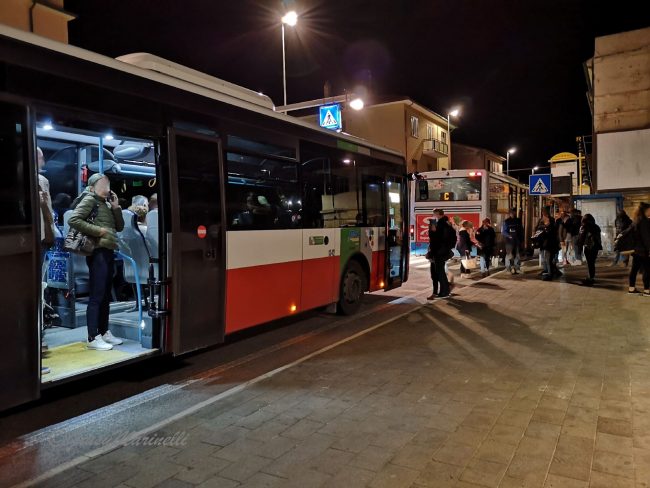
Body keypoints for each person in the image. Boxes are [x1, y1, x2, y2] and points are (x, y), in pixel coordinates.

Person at [69, 173, 125, 350]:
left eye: (108, 184)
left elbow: (120, 226)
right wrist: (98, 231)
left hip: (108, 251)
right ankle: (93, 336)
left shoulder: (106, 203)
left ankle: (104, 331)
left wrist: (116, 207)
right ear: (92, 187)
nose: (107, 187)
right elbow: (73, 219)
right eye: (103, 184)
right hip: (97, 251)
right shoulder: (89, 199)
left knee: (105, 295)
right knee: (97, 294)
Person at [37, 147, 56, 375]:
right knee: (38, 294)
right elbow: (48, 213)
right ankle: (37, 344)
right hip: (41, 240)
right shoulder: (41, 180)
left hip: (31, 240)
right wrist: (51, 234)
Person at [427, 209, 454, 299]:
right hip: (442, 251)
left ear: (438, 214)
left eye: (434, 214)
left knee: (439, 272)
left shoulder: (441, 224)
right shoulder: (446, 223)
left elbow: (436, 239)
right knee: (440, 271)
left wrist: (432, 231)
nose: (433, 216)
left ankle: (444, 291)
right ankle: (445, 290)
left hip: (439, 251)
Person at [628, 202, 650, 296]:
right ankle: (647, 291)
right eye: (649, 210)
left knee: (634, 270)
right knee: (647, 270)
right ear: (645, 210)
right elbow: (646, 238)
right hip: (643, 251)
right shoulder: (644, 221)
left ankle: (631, 289)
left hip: (636, 250)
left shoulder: (636, 220)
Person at [576, 213, 602, 285]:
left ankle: (590, 279)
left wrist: (579, 249)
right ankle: (591, 277)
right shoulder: (596, 226)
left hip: (589, 247)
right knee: (592, 263)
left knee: (589, 263)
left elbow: (581, 238)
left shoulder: (584, 226)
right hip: (595, 247)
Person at [537, 208, 560, 281]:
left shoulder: (551, 222)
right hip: (544, 242)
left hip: (549, 243)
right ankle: (548, 271)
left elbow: (551, 232)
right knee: (546, 258)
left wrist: (545, 226)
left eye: (544, 212)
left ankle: (551, 273)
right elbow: (538, 228)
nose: (543, 214)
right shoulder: (542, 220)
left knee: (548, 259)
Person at [502, 208, 524, 275]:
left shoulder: (518, 220)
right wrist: (509, 236)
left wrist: (522, 240)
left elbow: (521, 230)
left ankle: (517, 268)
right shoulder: (506, 221)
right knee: (509, 255)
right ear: (510, 213)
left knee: (517, 255)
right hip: (509, 242)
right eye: (512, 212)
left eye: (514, 212)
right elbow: (503, 232)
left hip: (517, 241)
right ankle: (508, 269)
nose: (513, 213)